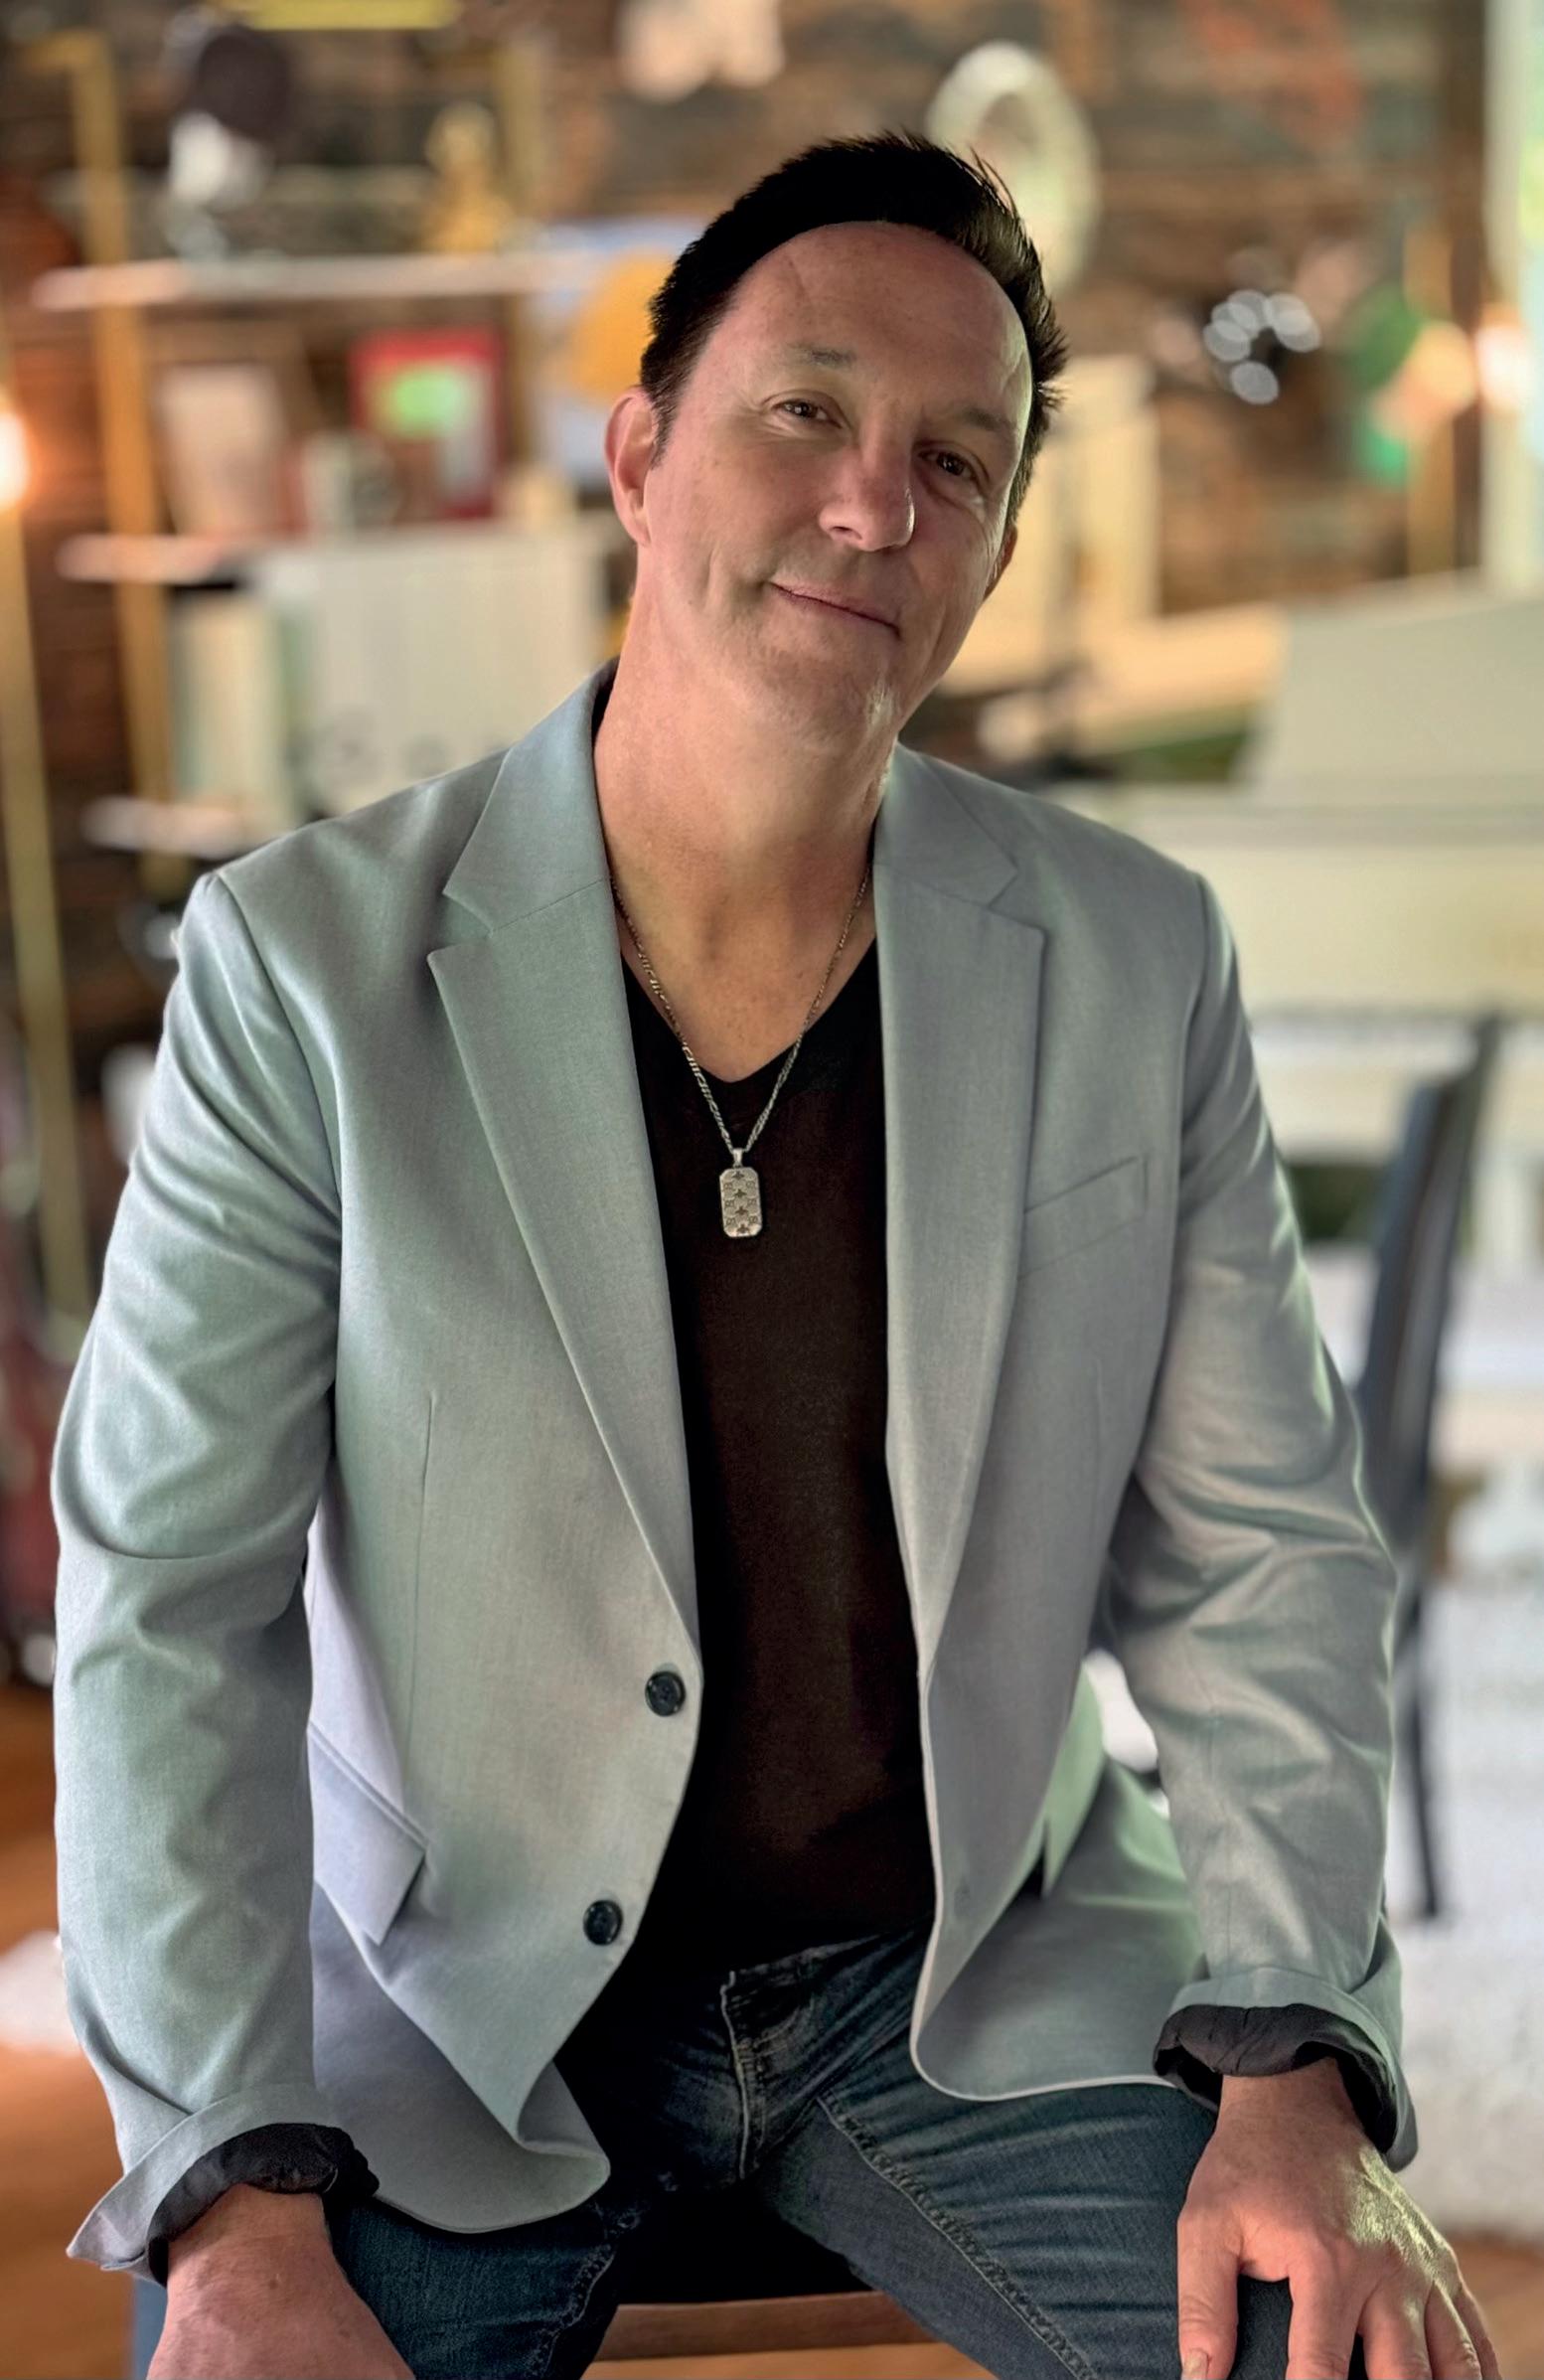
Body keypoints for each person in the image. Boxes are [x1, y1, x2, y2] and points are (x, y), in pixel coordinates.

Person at [51, 131, 1498, 2380]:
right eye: (804, 412)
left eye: (957, 463)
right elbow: (169, 1602)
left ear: (994, 545)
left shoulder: (1134, 959)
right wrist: (230, 2196)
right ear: (641, 458)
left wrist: (1294, 2053)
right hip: (451, 2013)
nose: (873, 505)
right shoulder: (302, 968)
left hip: (971, 1968)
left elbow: (1259, 1559)